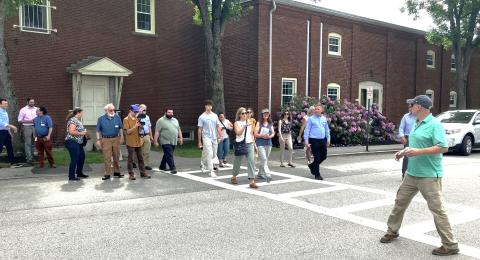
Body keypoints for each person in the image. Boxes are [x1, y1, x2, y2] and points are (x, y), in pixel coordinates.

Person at [381, 95, 459, 256]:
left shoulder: (434, 124)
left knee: (438, 210)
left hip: (429, 176)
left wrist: (418, 152)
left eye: (412, 105)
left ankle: (450, 245)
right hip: (412, 173)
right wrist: (403, 152)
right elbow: (415, 145)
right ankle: (392, 231)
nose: (409, 107)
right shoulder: (416, 122)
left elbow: (443, 147)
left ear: (420, 107)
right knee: (399, 202)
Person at [96, 104, 124, 180]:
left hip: (116, 139)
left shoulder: (117, 117)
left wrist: (122, 136)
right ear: (106, 110)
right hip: (105, 140)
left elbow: (121, 128)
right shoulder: (101, 119)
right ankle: (107, 173)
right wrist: (98, 140)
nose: (112, 112)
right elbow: (98, 131)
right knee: (107, 157)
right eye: (111, 110)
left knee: (116, 156)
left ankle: (117, 172)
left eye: (113, 110)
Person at [231, 107, 257, 188]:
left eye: (246, 113)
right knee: (237, 161)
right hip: (240, 143)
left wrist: (254, 144)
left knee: (251, 161)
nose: (245, 114)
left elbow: (252, 134)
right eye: (243, 113)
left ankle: (252, 181)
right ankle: (234, 176)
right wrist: (245, 126)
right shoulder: (236, 123)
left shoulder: (251, 122)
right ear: (239, 115)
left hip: (249, 143)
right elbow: (238, 133)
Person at [123, 105, 151, 180]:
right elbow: (127, 132)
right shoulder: (126, 119)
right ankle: (131, 174)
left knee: (141, 158)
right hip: (131, 142)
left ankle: (143, 173)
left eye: (137, 112)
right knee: (130, 159)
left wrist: (141, 126)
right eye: (135, 112)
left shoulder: (138, 118)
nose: (136, 113)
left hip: (138, 141)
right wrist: (135, 126)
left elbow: (141, 130)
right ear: (130, 111)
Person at [304, 103, 330, 180]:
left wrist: (328, 138)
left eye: (318, 109)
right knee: (317, 157)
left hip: (323, 140)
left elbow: (327, 129)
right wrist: (306, 141)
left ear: (322, 110)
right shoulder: (311, 119)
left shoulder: (324, 119)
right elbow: (307, 130)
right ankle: (317, 175)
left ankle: (312, 166)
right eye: (315, 109)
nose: (316, 110)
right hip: (314, 140)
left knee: (324, 156)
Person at [154, 108, 183, 174]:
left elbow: (179, 129)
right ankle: (173, 168)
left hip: (174, 140)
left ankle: (162, 166)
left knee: (167, 154)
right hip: (165, 140)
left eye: (172, 112)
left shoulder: (175, 120)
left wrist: (180, 138)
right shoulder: (160, 121)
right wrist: (155, 141)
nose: (171, 114)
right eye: (169, 112)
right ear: (165, 113)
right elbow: (157, 131)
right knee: (169, 154)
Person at [197, 100, 222, 178]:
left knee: (213, 154)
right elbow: (200, 129)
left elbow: (218, 126)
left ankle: (202, 163)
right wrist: (199, 141)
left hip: (214, 137)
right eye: (207, 105)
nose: (209, 107)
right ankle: (211, 171)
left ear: (212, 106)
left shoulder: (214, 115)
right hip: (206, 137)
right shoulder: (202, 117)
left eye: (210, 105)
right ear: (205, 106)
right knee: (210, 153)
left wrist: (220, 136)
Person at [65, 108, 89, 181]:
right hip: (72, 141)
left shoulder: (77, 121)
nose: (82, 114)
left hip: (78, 143)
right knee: (74, 159)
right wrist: (82, 133)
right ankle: (71, 176)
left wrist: (85, 134)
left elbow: (77, 130)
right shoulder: (73, 120)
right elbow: (71, 131)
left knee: (81, 157)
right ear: (78, 113)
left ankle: (79, 173)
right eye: (81, 113)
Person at [254, 108, 275, 183]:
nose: (266, 115)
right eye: (264, 113)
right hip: (260, 143)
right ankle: (268, 174)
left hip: (268, 143)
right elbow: (255, 134)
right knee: (264, 159)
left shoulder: (270, 123)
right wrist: (262, 135)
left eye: (267, 113)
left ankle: (260, 174)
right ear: (262, 115)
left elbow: (273, 133)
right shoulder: (259, 123)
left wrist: (270, 136)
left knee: (264, 160)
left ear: (269, 115)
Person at [398, 105, 416, 179]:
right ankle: (404, 173)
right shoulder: (406, 116)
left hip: (416, 138)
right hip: (408, 138)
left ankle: (415, 173)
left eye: (410, 107)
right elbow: (401, 127)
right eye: (408, 107)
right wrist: (402, 136)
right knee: (407, 156)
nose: (409, 109)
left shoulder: (419, 117)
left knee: (416, 155)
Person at [18, 98, 37, 164]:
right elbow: (20, 120)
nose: (32, 103)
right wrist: (30, 121)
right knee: (28, 143)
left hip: (35, 127)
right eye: (31, 102)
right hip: (26, 127)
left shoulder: (36, 109)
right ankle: (29, 158)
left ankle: (33, 156)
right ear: (27, 102)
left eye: (33, 102)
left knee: (34, 142)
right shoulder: (23, 110)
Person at [0, 99, 18, 167]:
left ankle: (12, 163)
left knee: (10, 147)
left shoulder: (5, 112)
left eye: (7, 103)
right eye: (5, 103)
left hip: (6, 131)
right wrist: (11, 126)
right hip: (0, 131)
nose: (7, 105)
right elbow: (0, 122)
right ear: (0, 104)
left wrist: (9, 131)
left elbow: (6, 123)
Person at [137, 104, 153, 170]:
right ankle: (136, 163)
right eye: (143, 110)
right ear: (139, 110)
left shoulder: (147, 117)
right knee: (138, 151)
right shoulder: (136, 116)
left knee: (147, 151)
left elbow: (149, 126)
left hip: (146, 135)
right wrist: (139, 116)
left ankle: (145, 164)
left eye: (145, 110)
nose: (144, 111)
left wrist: (151, 136)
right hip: (139, 135)